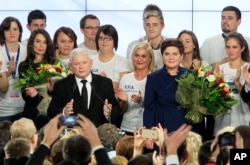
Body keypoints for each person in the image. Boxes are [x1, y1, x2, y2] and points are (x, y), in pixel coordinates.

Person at [48, 47, 122, 127]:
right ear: (71, 66)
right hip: (73, 134)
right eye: (77, 64)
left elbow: (116, 109)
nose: (81, 67)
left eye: (84, 63)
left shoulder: (104, 83)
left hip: (99, 133)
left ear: (91, 63)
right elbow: (51, 112)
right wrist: (64, 112)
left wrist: (108, 113)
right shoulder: (61, 85)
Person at [143, 38, 190, 132]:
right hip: (162, 130)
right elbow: (149, 111)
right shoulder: (153, 78)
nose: (171, 58)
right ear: (162, 56)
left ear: (181, 57)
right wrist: (148, 136)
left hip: (188, 130)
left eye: (175, 54)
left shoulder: (191, 75)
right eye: (167, 54)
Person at [177, 30, 213, 142]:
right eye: (181, 41)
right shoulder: (174, 64)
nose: (184, 44)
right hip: (178, 113)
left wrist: (198, 73)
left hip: (199, 115)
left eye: (187, 41)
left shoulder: (204, 64)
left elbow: (208, 90)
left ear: (194, 45)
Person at [18, 29, 55, 129]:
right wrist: (34, 95)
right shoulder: (24, 66)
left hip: (51, 114)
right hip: (32, 114)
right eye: (38, 41)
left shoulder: (55, 64)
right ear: (32, 43)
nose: (41, 45)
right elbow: (24, 93)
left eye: (45, 42)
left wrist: (51, 90)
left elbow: (59, 93)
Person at [213, 32, 250, 135]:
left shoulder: (248, 68)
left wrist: (237, 83)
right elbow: (213, 100)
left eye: (234, 47)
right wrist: (218, 82)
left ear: (242, 48)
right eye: (228, 47)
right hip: (222, 122)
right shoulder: (220, 68)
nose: (231, 50)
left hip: (243, 120)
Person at [115, 42, 155, 135]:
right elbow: (122, 110)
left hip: (147, 129)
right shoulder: (126, 78)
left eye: (144, 56)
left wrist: (141, 101)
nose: (139, 59)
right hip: (126, 127)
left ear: (150, 59)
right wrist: (123, 101)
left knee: (148, 150)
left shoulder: (155, 78)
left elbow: (157, 108)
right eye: (136, 55)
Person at [0, 16, 27, 122]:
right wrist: (9, 72)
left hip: (23, 108)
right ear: (3, 32)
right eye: (8, 29)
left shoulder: (26, 50)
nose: (12, 33)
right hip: (3, 110)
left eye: (15, 29)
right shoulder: (0, 50)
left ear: (20, 31)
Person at [127, 4, 166, 71]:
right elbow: (130, 70)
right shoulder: (133, 46)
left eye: (155, 24)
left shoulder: (170, 46)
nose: (151, 28)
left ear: (162, 26)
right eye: (148, 24)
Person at [91, 24, 131, 90]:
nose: (104, 41)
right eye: (101, 38)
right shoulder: (89, 59)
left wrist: (103, 81)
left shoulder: (123, 62)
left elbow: (123, 87)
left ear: (115, 41)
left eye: (109, 38)